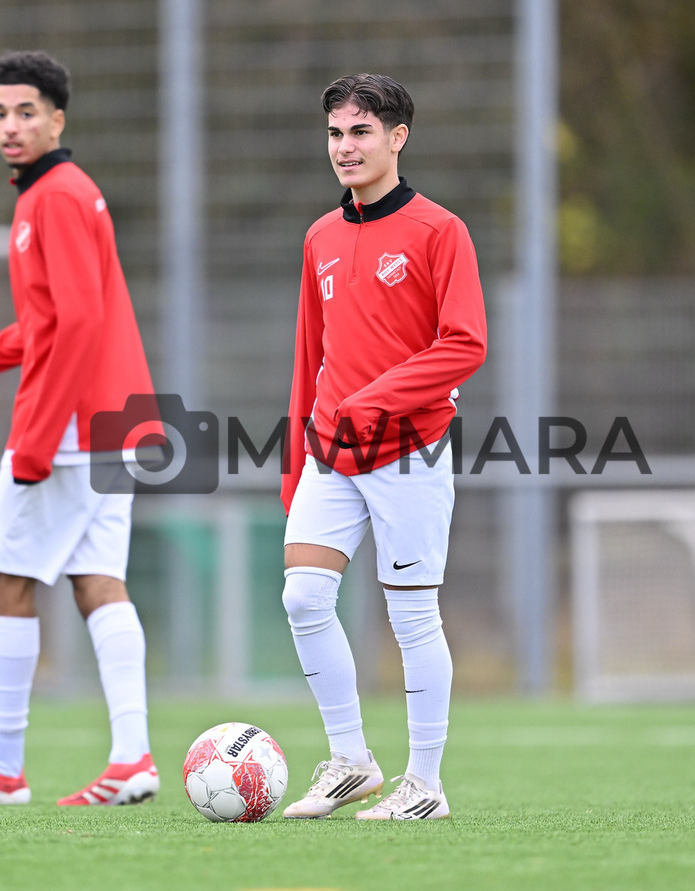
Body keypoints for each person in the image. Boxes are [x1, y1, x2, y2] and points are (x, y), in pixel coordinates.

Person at [0, 51, 159, 807]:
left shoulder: (54, 196)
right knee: (97, 581)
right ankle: (132, 759)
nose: (10, 127)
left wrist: (39, 440)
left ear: (57, 118)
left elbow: (76, 323)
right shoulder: (61, 194)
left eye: (25, 112)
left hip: (76, 426)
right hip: (120, 418)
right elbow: (50, 323)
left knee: (4, 580)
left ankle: (1, 768)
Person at [280, 73, 488, 820]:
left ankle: (424, 786)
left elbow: (465, 343)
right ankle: (350, 760)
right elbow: (311, 356)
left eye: (361, 132)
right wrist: (294, 458)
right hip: (330, 454)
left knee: (410, 618)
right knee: (302, 594)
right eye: (336, 133)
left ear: (397, 138)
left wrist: (379, 396)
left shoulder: (440, 231)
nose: (346, 147)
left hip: (411, 451)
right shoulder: (321, 237)